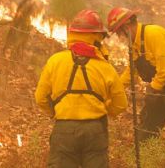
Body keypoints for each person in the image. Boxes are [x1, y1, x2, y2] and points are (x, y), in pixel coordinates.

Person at [35, 10, 128, 168]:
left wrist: (54, 113)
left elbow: (40, 98)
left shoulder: (55, 61)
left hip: (64, 129)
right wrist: (105, 109)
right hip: (95, 130)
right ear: (96, 37)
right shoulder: (105, 67)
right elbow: (120, 104)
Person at [107, 7, 165, 157]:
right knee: (149, 123)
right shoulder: (134, 44)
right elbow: (131, 70)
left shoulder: (153, 33)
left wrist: (153, 89)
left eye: (118, 32)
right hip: (161, 82)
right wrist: (115, 89)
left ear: (126, 26)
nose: (118, 36)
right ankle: (143, 159)